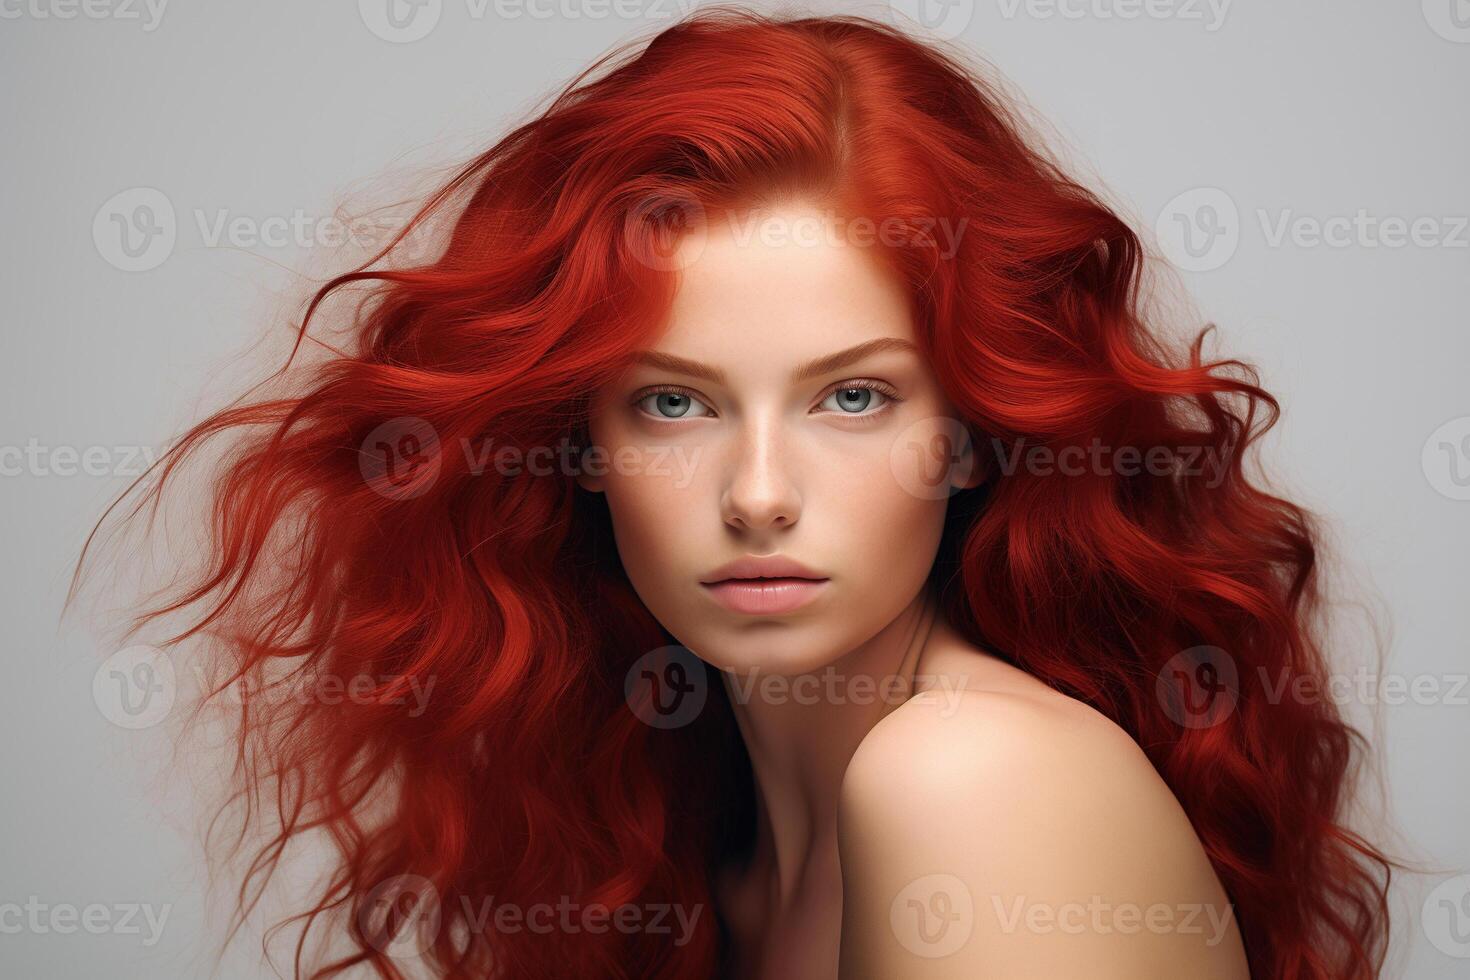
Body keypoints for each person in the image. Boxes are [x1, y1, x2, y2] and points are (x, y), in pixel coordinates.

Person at [75, 8, 1394, 979]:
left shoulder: (971, 782)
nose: (758, 493)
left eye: (853, 397)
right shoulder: (702, 814)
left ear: (973, 434)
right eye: (672, 403)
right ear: (575, 444)